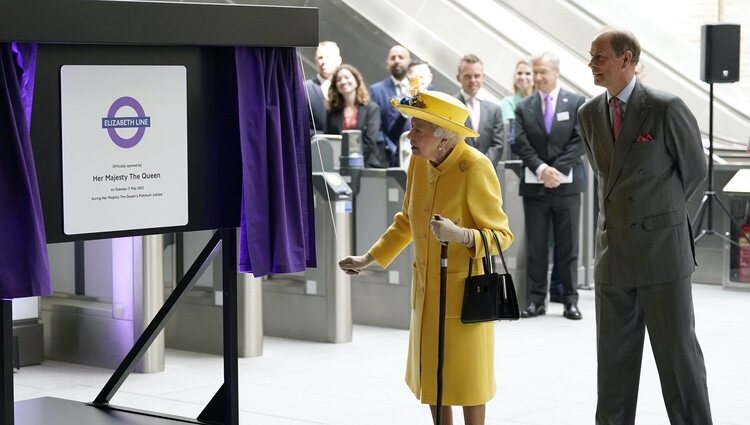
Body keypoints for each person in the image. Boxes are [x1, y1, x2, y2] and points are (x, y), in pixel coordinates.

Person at [338, 90, 513, 425]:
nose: (410, 135)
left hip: (465, 296)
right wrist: (368, 259)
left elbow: (502, 236)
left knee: (468, 381)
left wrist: (462, 236)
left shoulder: (475, 167)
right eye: (411, 127)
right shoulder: (418, 162)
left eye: (419, 130)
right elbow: (406, 220)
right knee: (432, 378)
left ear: (444, 136)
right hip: (426, 293)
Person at [578, 27, 712, 424]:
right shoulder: (589, 114)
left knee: (679, 362)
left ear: (627, 59)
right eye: (591, 57)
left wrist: (657, 217)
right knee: (613, 369)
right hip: (612, 255)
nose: (592, 65)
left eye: (599, 57)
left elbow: (695, 171)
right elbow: (606, 180)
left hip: (662, 255)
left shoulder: (665, 107)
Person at [511, 52, 586, 320]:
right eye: (535, 72)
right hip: (535, 187)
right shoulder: (524, 106)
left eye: (542, 71)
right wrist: (542, 169)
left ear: (556, 72)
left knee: (568, 246)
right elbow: (521, 143)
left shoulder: (576, 102)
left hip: (567, 187)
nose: (537, 77)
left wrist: (557, 170)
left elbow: (580, 141)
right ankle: (536, 301)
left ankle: (569, 300)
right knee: (537, 246)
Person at [325, 64, 388, 168]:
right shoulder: (332, 111)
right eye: (339, 79)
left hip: (367, 165)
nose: (343, 81)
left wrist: (350, 160)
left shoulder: (372, 108)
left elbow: (369, 140)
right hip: (338, 165)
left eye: (347, 77)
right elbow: (329, 138)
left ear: (356, 80)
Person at [455, 54, 505, 165]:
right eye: (467, 76)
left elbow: (497, 145)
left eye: (477, 76)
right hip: (458, 171)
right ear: (458, 78)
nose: (473, 80)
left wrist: (481, 165)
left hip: (487, 173)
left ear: (483, 77)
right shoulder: (451, 106)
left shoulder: (495, 110)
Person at [369, 45, 412, 166]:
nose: (397, 60)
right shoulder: (377, 90)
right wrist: (388, 149)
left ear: (408, 62)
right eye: (393, 58)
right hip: (390, 157)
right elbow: (376, 127)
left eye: (401, 57)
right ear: (387, 63)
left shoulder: (419, 87)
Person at [304, 41, 342, 135]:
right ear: (315, 61)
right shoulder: (305, 88)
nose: (323, 62)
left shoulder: (347, 88)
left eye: (328, 57)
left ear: (338, 60)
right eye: (320, 58)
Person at [499, 57, 534, 124]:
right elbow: (511, 129)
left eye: (528, 73)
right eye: (519, 73)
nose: (523, 77)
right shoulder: (508, 103)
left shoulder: (542, 102)